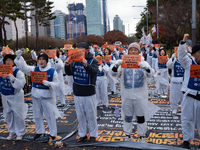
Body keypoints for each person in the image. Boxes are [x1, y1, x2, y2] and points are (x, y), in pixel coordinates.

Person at [110, 42, 159, 142]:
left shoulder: (143, 62)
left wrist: (147, 68)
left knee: (140, 116)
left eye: (135, 50)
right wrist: (116, 65)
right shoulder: (124, 63)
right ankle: (127, 135)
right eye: (131, 49)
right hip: (126, 94)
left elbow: (151, 74)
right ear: (128, 51)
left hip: (140, 95)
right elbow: (114, 74)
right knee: (127, 116)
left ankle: (142, 135)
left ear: (138, 51)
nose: (133, 51)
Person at [14, 51, 61, 141]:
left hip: (48, 97)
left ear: (46, 61)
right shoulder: (34, 69)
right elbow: (24, 68)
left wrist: (50, 84)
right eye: (40, 59)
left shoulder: (52, 71)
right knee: (37, 115)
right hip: (36, 96)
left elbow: (57, 83)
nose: (41, 61)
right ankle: (40, 132)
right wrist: (20, 58)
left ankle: (53, 134)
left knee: (50, 116)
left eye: (43, 59)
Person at [65, 42, 99, 143]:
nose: (79, 52)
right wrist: (67, 65)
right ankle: (82, 134)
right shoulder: (74, 60)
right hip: (77, 91)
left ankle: (93, 134)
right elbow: (69, 73)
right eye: (78, 50)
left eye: (82, 50)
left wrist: (86, 65)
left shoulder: (93, 60)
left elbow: (93, 72)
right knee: (80, 115)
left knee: (91, 115)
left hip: (89, 92)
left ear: (87, 51)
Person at [178, 34, 200, 149]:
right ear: (194, 54)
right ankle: (186, 140)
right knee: (187, 119)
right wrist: (183, 42)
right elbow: (181, 57)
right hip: (189, 97)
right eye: (199, 52)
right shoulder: (189, 63)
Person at [0, 54, 27, 140]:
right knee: (8, 114)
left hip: (16, 96)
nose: (8, 62)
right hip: (5, 95)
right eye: (6, 60)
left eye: (10, 60)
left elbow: (22, 83)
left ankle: (20, 132)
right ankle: (12, 131)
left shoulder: (17, 71)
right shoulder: (2, 70)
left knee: (18, 114)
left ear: (13, 62)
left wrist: (14, 80)